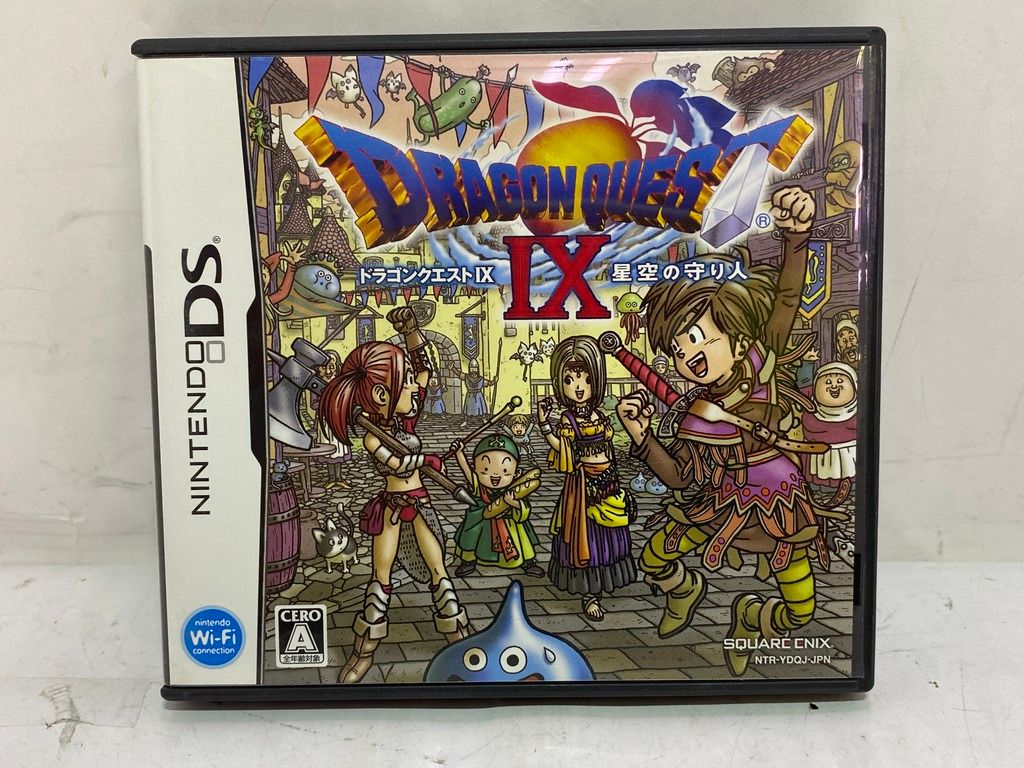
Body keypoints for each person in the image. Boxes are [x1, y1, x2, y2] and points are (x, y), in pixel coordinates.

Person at [617, 187, 833, 676]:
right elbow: (679, 477)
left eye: (696, 339)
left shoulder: (762, 362)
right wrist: (642, 435)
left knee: (801, 610)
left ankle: (752, 617)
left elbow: (787, 298)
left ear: (736, 340)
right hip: (715, 504)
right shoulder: (694, 417)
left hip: (779, 505)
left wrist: (797, 236)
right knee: (654, 560)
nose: (687, 356)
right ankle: (684, 591)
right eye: (677, 350)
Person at [316, 308, 469, 683]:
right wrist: (426, 459)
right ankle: (363, 652)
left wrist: (411, 331)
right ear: (382, 393)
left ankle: (462, 646)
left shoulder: (406, 418)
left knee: (440, 576)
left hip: (420, 504)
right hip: (390, 508)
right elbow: (398, 465)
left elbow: (424, 371)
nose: (416, 389)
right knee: (379, 582)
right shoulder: (372, 436)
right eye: (406, 384)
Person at [539, 336, 637, 622]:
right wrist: (544, 424)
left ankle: (605, 582)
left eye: (585, 379)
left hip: (608, 480)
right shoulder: (567, 420)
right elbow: (562, 449)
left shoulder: (599, 415)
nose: (578, 387)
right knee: (586, 536)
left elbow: (609, 448)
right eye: (569, 380)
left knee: (610, 532)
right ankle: (589, 594)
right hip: (582, 485)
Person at [449, 434, 545, 578]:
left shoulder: (514, 490)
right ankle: (468, 561)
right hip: (482, 520)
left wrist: (513, 502)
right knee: (471, 531)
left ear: (517, 473)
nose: (495, 475)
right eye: (485, 470)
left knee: (521, 537)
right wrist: (459, 453)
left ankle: (528, 562)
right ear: (476, 470)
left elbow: (524, 510)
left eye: (505, 471)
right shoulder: (479, 488)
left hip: (509, 523)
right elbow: (467, 472)